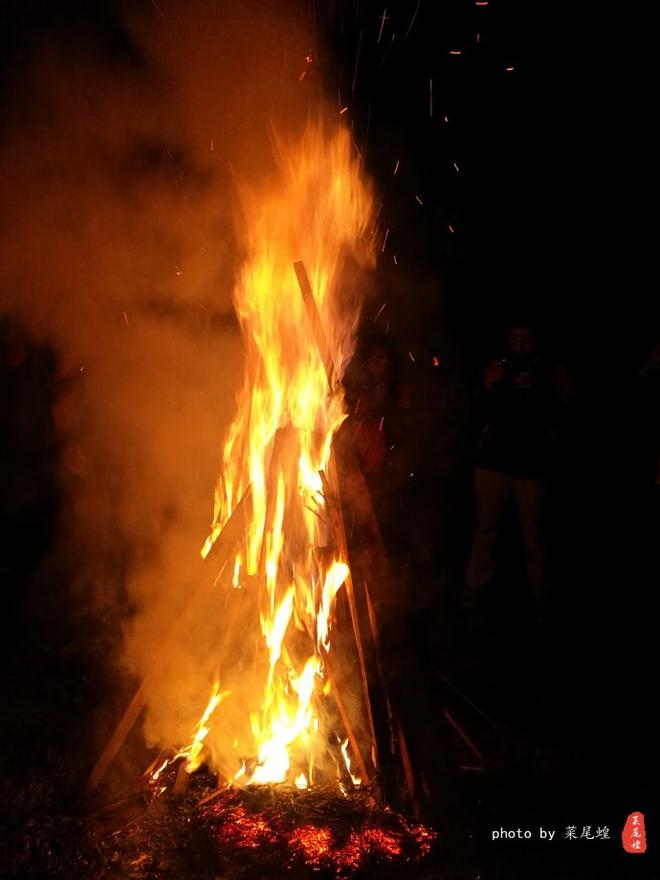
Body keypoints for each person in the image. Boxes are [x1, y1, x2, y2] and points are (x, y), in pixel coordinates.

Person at [465, 321, 574, 612]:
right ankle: (477, 590)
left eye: (526, 340)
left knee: (534, 536)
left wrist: (538, 390)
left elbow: (561, 413)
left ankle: (539, 596)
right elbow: (476, 412)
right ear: (507, 340)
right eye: (516, 340)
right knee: (485, 529)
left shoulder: (548, 370)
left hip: (531, 465)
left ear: (534, 340)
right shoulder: (495, 368)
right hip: (492, 462)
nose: (521, 346)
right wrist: (486, 387)